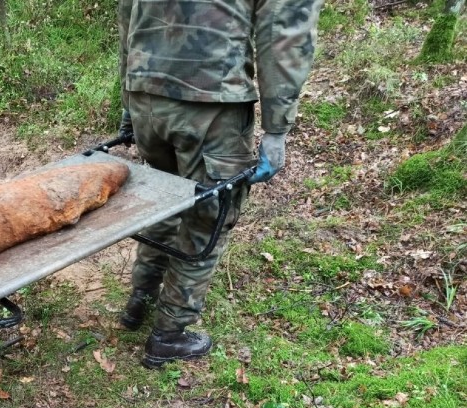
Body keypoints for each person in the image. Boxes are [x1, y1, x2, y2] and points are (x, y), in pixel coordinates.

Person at [117, 0, 323, 368]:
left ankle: (140, 300)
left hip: (146, 94)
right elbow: (286, 33)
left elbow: (126, 14)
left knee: (165, 202)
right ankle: (168, 334)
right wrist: (277, 129)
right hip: (212, 103)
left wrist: (128, 101)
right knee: (208, 219)